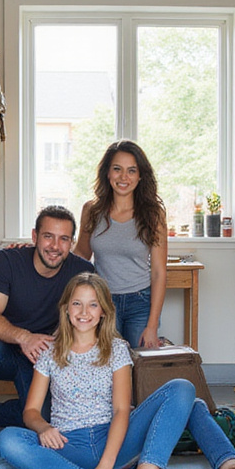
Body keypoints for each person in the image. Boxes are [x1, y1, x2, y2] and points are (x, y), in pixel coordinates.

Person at [0, 273, 235, 469]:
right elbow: (31, 411)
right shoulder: (50, 351)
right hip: (66, 443)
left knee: (184, 390)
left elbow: (122, 411)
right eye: (77, 304)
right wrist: (43, 428)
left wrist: (105, 467)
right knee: (8, 439)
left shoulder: (116, 348)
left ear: (103, 312)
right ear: (66, 308)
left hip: (112, 441)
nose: (84, 312)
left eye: (92, 305)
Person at [0, 206, 95, 448]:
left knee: (44, 419)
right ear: (35, 237)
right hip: (3, 346)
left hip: (41, 354)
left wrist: (54, 343)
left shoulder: (81, 271)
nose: (55, 246)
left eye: (63, 239)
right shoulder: (8, 261)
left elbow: (85, 321)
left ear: (72, 242)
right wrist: (24, 337)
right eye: (48, 236)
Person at [74, 140, 169, 349]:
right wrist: (34, 253)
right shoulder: (92, 210)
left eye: (131, 171)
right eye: (117, 169)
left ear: (140, 175)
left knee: (139, 367)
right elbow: (80, 254)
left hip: (141, 302)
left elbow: (159, 273)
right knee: (107, 366)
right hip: (102, 302)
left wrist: (152, 326)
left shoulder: (153, 215)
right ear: (107, 173)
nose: (123, 177)